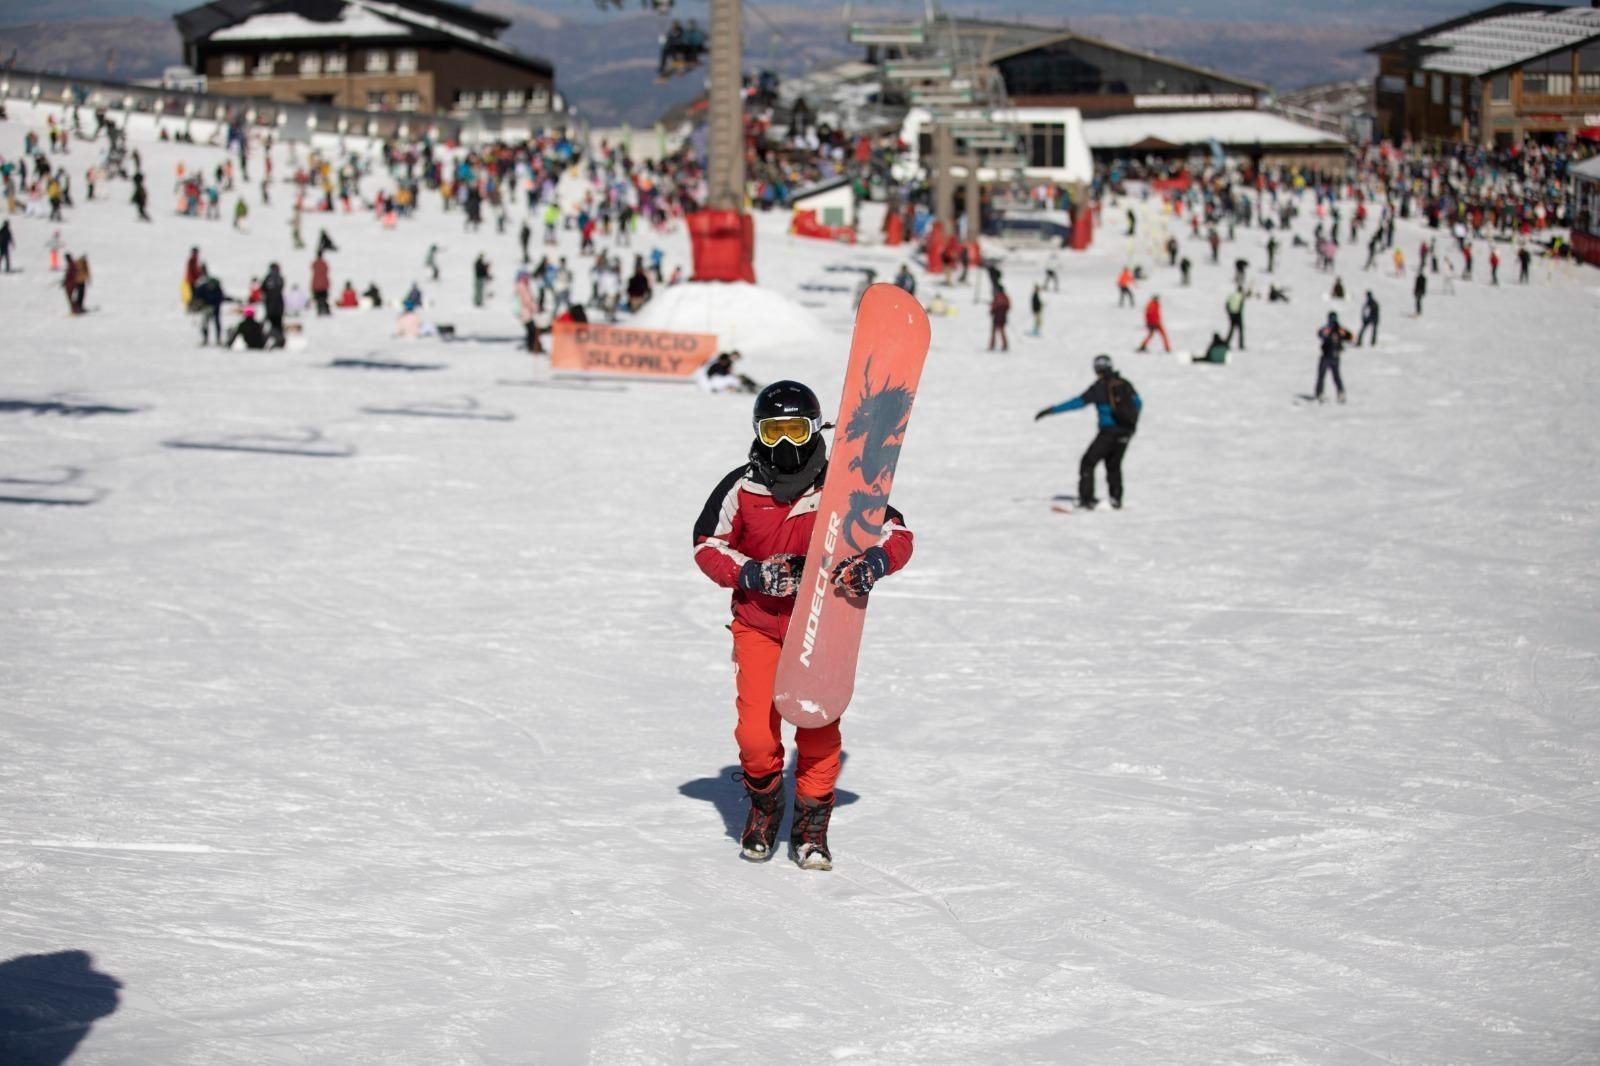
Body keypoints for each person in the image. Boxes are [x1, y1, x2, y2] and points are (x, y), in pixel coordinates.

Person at [692, 381, 913, 869]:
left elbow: (898, 532)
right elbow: (705, 544)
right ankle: (765, 806)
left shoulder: (843, 486)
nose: (787, 444)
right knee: (755, 735)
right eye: (774, 433)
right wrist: (752, 573)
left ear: (816, 430)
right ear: (758, 434)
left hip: (823, 625)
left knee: (817, 727)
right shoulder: (742, 487)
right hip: (759, 625)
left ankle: (812, 827)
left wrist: (875, 562)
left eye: (796, 430)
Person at [1033, 353, 1141, 510]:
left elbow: (1077, 402)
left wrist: (1052, 410)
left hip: (1108, 431)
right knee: (1114, 465)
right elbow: (1138, 402)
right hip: (1126, 431)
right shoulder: (1125, 384)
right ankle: (1116, 499)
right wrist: (1130, 423)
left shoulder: (1099, 387)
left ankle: (1086, 499)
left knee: (1088, 462)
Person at [1314, 312, 1352, 404]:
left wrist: (1344, 333)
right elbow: (1320, 334)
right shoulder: (1328, 329)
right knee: (1323, 376)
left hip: (1333, 357)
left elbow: (1349, 336)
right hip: (1328, 355)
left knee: (1335, 376)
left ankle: (1340, 392)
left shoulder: (1339, 329)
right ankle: (1320, 393)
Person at [193, 267, 228, 344]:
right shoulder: (203, 288)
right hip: (206, 307)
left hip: (215, 308)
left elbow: (219, 299)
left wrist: (214, 307)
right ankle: (205, 339)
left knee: (216, 323)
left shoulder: (218, 290)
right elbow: (197, 296)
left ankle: (218, 339)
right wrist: (199, 303)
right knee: (205, 324)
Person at [261, 262, 286, 347]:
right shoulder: (280, 278)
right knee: (278, 325)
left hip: (270, 306)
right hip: (279, 306)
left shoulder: (267, 278)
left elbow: (263, 288)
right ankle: (280, 341)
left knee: (272, 325)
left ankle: (276, 340)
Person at [988, 285, 1011, 351]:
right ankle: (1005, 345)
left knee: (993, 331)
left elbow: (994, 306)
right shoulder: (1006, 297)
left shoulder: (997, 297)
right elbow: (1008, 306)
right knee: (1002, 331)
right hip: (1003, 317)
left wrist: (992, 311)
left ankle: (992, 345)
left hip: (996, 317)